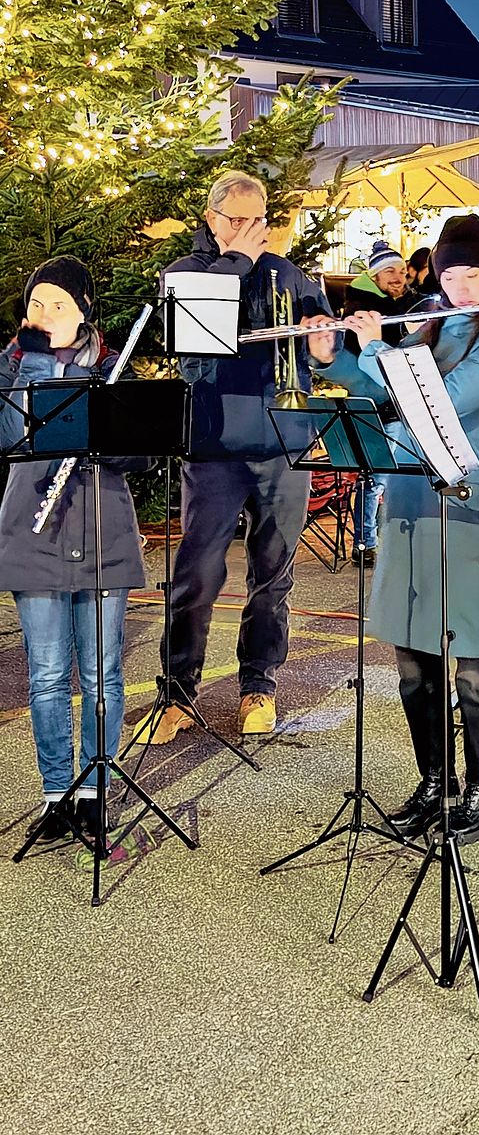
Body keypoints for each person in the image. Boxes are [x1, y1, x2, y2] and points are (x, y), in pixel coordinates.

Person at [335, 214, 479, 844]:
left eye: (474, 274)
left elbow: (442, 398)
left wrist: (376, 348)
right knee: (415, 656)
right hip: (412, 500)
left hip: (475, 504)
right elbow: (379, 395)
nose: (460, 286)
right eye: (451, 273)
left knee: (478, 657)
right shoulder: (431, 323)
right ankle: (436, 780)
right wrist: (337, 354)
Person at [133, 172, 337, 745]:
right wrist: (239, 265)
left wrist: (326, 344)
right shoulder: (188, 274)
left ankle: (259, 686)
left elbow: (323, 356)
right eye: (237, 221)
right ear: (212, 218)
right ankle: (176, 694)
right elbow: (191, 346)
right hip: (214, 445)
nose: (251, 232)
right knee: (196, 574)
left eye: (258, 220)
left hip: (281, 444)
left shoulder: (295, 277)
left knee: (273, 575)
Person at [0, 258, 151, 843]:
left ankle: (95, 788)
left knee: (103, 673)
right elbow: (12, 437)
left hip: (100, 530)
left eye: (57, 305)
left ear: (85, 310)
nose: (43, 315)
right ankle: (55, 792)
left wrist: (106, 443)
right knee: (46, 673)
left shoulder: (113, 370)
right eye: (35, 304)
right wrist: (34, 362)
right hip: (31, 531)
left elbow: (143, 454)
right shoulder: (11, 367)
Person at [340, 240, 417, 567]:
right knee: (376, 478)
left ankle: (383, 539)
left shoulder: (404, 303)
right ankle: (365, 542)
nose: (399, 277)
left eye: (402, 271)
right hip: (376, 400)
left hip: (400, 401)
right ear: (374, 276)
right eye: (390, 271)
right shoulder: (364, 307)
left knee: (394, 475)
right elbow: (361, 355)